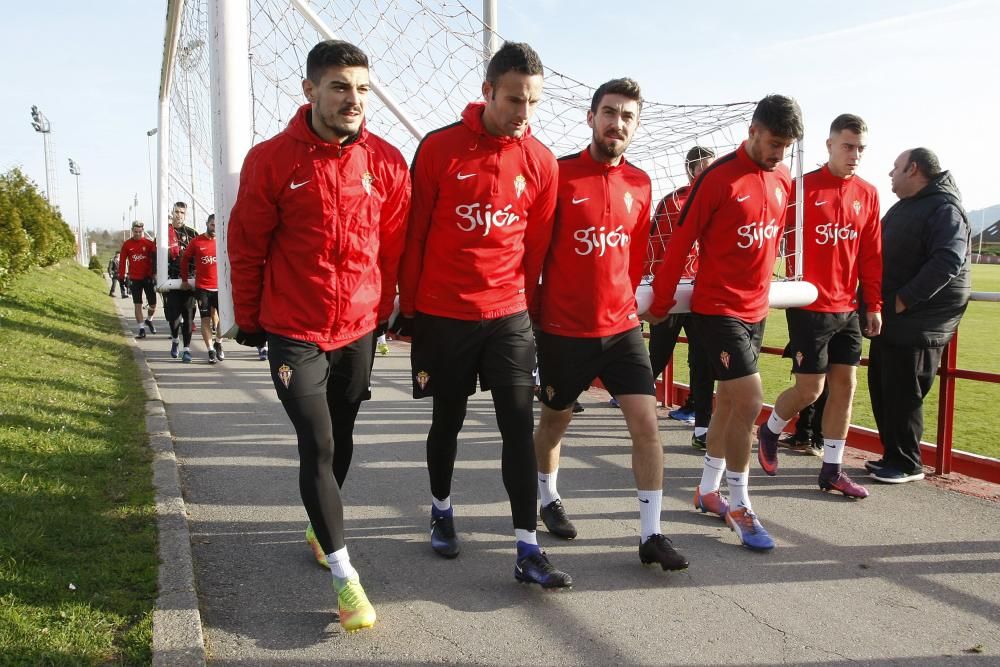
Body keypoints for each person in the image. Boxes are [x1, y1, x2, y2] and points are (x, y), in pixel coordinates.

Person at [228, 39, 411, 631]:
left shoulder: (385, 161)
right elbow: (247, 246)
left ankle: (318, 522)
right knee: (319, 442)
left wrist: (386, 312)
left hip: (359, 328)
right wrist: (252, 319)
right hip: (293, 328)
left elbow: (395, 246)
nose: (353, 99)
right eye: (339, 86)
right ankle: (345, 576)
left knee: (344, 433)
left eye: (361, 88)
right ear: (309, 90)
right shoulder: (271, 160)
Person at [395, 41, 571, 589]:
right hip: (445, 314)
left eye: (533, 103)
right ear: (487, 91)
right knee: (446, 418)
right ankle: (442, 509)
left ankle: (526, 549)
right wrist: (412, 309)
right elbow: (415, 235)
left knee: (518, 427)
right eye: (515, 99)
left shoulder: (541, 161)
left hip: (508, 317)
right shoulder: (440, 149)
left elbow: (536, 249)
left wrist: (525, 312)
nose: (523, 113)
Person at [531, 78, 687, 572]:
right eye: (609, 113)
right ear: (591, 117)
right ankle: (547, 496)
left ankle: (651, 534)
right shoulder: (557, 175)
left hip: (621, 329)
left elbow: (637, 255)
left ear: (635, 126)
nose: (616, 123)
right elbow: (533, 253)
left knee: (646, 425)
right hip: (563, 330)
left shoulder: (640, 183)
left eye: (627, 117)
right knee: (555, 422)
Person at [643, 94, 803, 552]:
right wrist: (664, 298)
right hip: (716, 309)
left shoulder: (782, 178)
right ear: (753, 131)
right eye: (773, 143)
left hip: (756, 309)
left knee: (731, 406)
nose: (778, 154)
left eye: (785, 147)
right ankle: (740, 502)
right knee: (751, 400)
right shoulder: (717, 178)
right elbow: (680, 239)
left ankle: (707, 489)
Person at [756, 114, 882, 500]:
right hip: (809, 303)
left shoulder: (869, 193)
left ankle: (832, 470)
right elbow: (769, 237)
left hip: (848, 308)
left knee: (846, 385)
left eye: (860, 148)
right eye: (848, 146)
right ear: (829, 145)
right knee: (811, 389)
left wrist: (872, 304)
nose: (854, 154)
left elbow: (872, 254)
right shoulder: (799, 189)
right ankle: (771, 428)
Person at [866, 148, 971, 483]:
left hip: (919, 319)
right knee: (883, 384)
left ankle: (907, 463)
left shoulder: (944, 208)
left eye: (895, 167)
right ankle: (893, 455)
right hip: (897, 316)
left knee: (903, 389)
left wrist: (902, 301)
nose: (890, 174)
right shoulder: (913, 205)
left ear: (913, 169)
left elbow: (948, 261)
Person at [645, 146, 717, 449]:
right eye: (705, 167)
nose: (710, 172)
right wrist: (652, 285)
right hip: (673, 292)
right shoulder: (673, 201)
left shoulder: (717, 199)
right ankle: (639, 411)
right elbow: (654, 248)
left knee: (702, 361)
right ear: (691, 170)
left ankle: (703, 428)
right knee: (658, 356)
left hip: (701, 293)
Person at [180, 214, 223, 364]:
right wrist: (185, 280)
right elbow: (185, 259)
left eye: (217, 225)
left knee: (223, 319)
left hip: (220, 289)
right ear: (207, 224)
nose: (214, 228)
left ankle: (218, 342)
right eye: (212, 225)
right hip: (202, 288)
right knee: (205, 319)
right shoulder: (197, 241)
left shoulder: (223, 241)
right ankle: (210, 350)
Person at [164, 202, 198, 363]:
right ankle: (175, 340)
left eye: (182, 212)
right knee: (174, 317)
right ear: (172, 213)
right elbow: (156, 257)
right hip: (171, 281)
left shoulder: (192, 233)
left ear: (186, 215)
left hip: (189, 281)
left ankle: (186, 349)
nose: (179, 215)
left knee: (189, 317)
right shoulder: (164, 233)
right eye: (176, 211)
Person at [117, 221, 157, 338]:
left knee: (153, 304)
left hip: (148, 277)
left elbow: (156, 258)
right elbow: (123, 261)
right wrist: (121, 277)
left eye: (140, 232)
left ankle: (149, 319)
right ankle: (141, 329)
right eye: (135, 232)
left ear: (143, 231)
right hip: (135, 279)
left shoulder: (149, 244)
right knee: (137, 304)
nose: (138, 234)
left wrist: (155, 273)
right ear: (132, 231)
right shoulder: (127, 244)